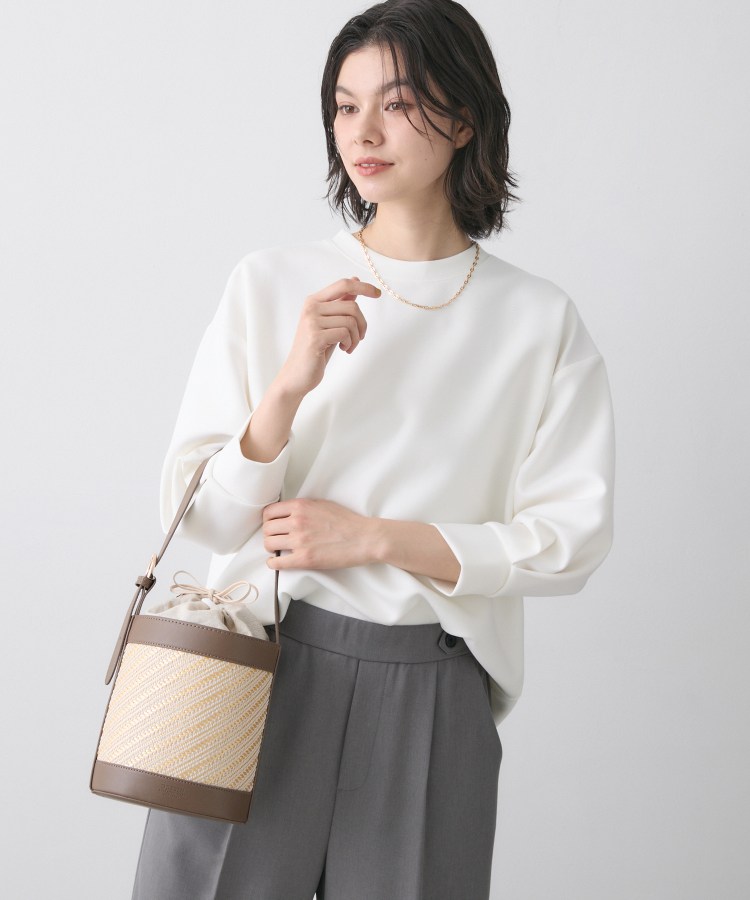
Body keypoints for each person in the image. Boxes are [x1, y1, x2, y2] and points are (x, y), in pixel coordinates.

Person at [130, 0, 615, 897]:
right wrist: (289, 386)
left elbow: (570, 539)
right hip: (257, 666)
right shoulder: (270, 283)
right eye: (345, 106)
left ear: (464, 118)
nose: (363, 131)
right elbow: (205, 519)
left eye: (397, 103)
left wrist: (375, 538)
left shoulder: (538, 320)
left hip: (432, 688)